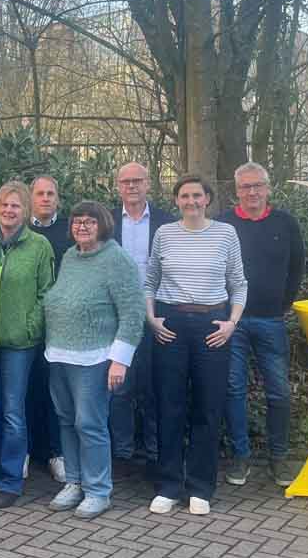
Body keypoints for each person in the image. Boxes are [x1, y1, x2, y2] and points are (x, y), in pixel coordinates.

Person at [145, 174, 247, 516]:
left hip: (212, 325)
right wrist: (151, 318)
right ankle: (169, 485)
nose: (191, 201)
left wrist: (232, 323)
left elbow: (239, 283)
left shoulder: (225, 233)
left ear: (208, 199)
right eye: (184, 196)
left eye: (197, 196)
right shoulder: (164, 234)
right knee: (169, 405)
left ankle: (201, 486)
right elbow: (149, 280)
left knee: (208, 405)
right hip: (170, 324)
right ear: (177, 201)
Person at [44, 201, 145, 519]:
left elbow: (132, 313)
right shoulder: (71, 257)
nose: (82, 227)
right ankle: (74, 482)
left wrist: (120, 361)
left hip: (95, 359)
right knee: (66, 421)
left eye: (89, 221)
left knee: (90, 424)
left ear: (103, 224)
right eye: (77, 221)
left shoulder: (117, 260)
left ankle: (99, 490)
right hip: (59, 355)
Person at [0, 180, 54, 508]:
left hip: (20, 344)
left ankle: (10, 480)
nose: (9, 210)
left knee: (13, 413)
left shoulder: (39, 246)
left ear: (25, 211)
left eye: (15, 205)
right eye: (3, 204)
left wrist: (30, 328)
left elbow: (47, 292)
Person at [218, 162, 305, 487]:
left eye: (258, 186)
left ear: (268, 188)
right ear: (237, 191)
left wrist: (282, 305)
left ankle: (278, 459)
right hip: (232, 322)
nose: (252, 192)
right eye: (245, 187)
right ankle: (240, 458)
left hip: (271, 319)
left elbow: (297, 268)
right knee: (233, 389)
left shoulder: (286, 223)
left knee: (279, 392)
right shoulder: (224, 224)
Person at [109, 162, 174, 471]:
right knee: (118, 387)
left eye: (137, 181)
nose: (131, 186)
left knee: (153, 386)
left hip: (157, 315)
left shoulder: (166, 222)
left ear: (149, 184)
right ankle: (121, 453)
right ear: (118, 186)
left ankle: (154, 452)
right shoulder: (106, 221)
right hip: (116, 316)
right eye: (125, 181)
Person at [27, 175, 70, 483]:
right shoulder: (18, 230)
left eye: (50, 193)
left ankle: (57, 453)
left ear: (58, 199)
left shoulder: (70, 230)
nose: (45, 198)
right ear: (31, 198)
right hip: (25, 325)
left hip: (61, 325)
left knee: (57, 393)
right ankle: (25, 452)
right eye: (39, 193)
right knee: (25, 392)